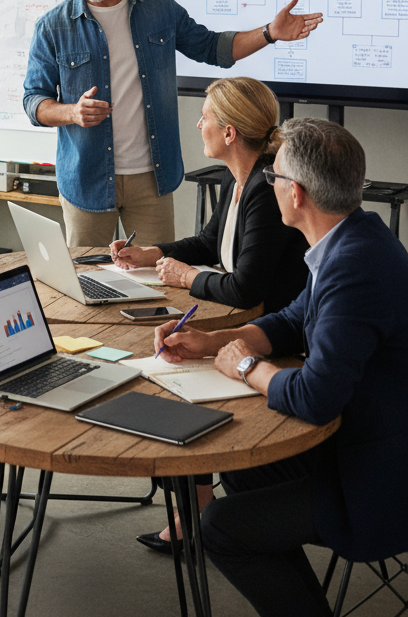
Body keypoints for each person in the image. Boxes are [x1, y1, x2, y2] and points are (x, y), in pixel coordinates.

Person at [154, 118, 408, 617]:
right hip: (361, 441)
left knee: (221, 527)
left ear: (296, 192)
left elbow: (316, 398)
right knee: (242, 467)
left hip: (379, 478)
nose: (269, 182)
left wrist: (246, 368)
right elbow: (293, 319)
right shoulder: (350, 234)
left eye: (274, 174)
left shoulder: (355, 265)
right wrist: (210, 340)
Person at [22, 0, 323, 247]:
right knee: (86, 285)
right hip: (86, 180)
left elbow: (213, 48)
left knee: (155, 282)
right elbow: (34, 100)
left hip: (152, 179)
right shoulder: (53, 26)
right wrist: (71, 113)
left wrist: (270, 33)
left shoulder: (158, 7)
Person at [110, 76, 309, 553]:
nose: (197, 124)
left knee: (178, 379)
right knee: (175, 364)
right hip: (259, 325)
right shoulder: (239, 179)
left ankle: (195, 510)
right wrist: (152, 253)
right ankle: (195, 504)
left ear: (230, 133)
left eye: (205, 117)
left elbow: (245, 284)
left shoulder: (264, 186)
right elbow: (208, 243)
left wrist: (183, 278)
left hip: (281, 340)